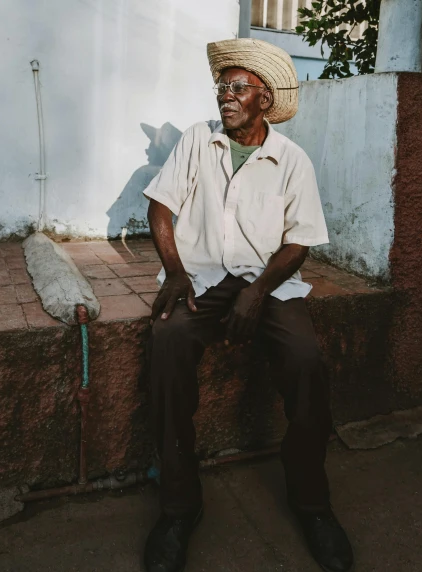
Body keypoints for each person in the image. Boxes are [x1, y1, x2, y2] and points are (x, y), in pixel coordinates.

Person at [142, 38, 353, 572]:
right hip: (205, 276)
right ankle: (178, 508)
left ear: (265, 99)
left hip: (270, 282)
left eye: (238, 88)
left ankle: (312, 503)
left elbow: (300, 240)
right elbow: (161, 206)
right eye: (222, 87)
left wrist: (258, 292)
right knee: (166, 341)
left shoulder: (292, 160)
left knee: (306, 361)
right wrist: (174, 271)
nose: (225, 97)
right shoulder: (197, 141)